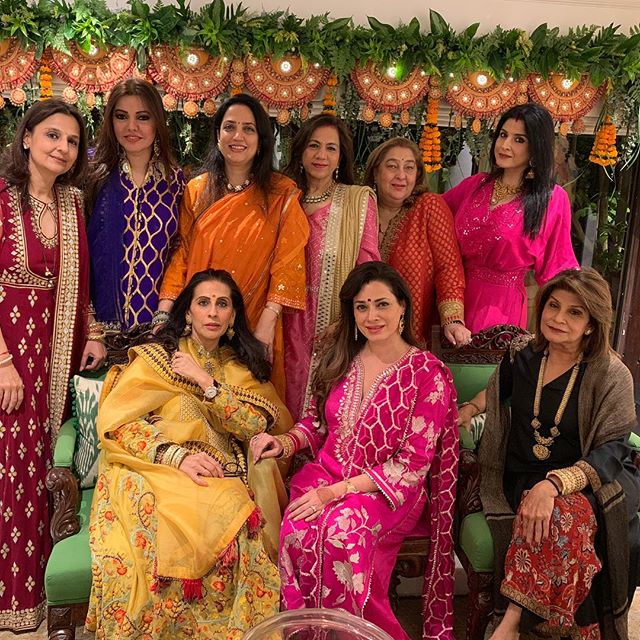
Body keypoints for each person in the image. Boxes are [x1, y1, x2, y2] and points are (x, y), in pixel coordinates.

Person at [252, 261, 459, 640]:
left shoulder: (426, 373)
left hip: (388, 492)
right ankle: (309, 634)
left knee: (341, 532)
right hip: (324, 476)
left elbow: (411, 465)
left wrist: (336, 492)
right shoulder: (340, 356)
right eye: (361, 307)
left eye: (382, 304)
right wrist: (283, 442)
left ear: (402, 307)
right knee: (297, 529)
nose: (371, 316)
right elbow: (316, 424)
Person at [87, 269, 294, 639]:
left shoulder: (240, 369)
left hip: (220, 474)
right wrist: (175, 457)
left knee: (236, 522)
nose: (212, 312)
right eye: (203, 303)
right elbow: (118, 422)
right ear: (187, 312)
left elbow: (255, 426)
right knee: (151, 531)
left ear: (232, 315)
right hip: (154, 466)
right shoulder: (157, 358)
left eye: (222, 304)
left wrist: (206, 382)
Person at [458, 267, 639, 639]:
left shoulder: (611, 374)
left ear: (591, 324)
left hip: (596, 481)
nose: (558, 318)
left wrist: (554, 485)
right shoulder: (521, 356)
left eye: (574, 312)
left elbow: (614, 448)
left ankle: (511, 622)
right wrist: (472, 408)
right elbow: (495, 393)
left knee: (561, 514)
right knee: (552, 514)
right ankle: (576, 631)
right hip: (525, 474)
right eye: (553, 305)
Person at [0, 99, 105, 631]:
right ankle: (9, 595)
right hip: (8, 351)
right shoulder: (1, 200)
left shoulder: (71, 202)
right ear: (27, 137)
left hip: (55, 350)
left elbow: (81, 280)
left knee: (43, 461)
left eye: (72, 141)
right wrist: (3, 362)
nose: (62, 148)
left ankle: (39, 590)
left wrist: (93, 333)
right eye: (52, 135)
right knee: (10, 464)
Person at [158, 94, 309, 399]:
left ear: (261, 140)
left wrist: (268, 321)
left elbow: (288, 261)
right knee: (192, 400)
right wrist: (164, 314)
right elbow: (182, 253)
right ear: (217, 135)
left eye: (248, 129)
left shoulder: (282, 194)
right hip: (202, 317)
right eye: (229, 127)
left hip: (254, 319)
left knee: (248, 401)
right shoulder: (197, 190)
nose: (238, 136)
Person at [443, 103, 579, 333]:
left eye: (519, 140)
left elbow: (558, 267)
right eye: (503, 135)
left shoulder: (551, 199)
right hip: (451, 300)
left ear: (536, 147)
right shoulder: (474, 185)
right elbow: (432, 216)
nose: (505, 145)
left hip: (500, 311)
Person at [282, 113, 379, 420]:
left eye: (331, 148)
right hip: (282, 319)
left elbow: (368, 271)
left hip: (333, 323)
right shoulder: (283, 198)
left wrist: (347, 320)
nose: (321, 155)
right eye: (313, 145)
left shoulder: (357, 202)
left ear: (341, 157)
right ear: (300, 150)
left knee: (323, 412)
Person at [86, 78, 186, 331]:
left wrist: (165, 314)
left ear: (157, 122)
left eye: (143, 117)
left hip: (155, 325)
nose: (131, 127)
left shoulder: (175, 182)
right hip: (94, 326)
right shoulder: (92, 174)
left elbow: (179, 252)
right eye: (121, 116)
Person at [364, 137, 470, 348]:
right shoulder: (360, 208)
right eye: (392, 166)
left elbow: (448, 267)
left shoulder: (429, 207)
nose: (401, 175)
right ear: (375, 172)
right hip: (361, 330)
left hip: (411, 334)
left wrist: (453, 319)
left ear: (418, 175)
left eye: (409, 168)